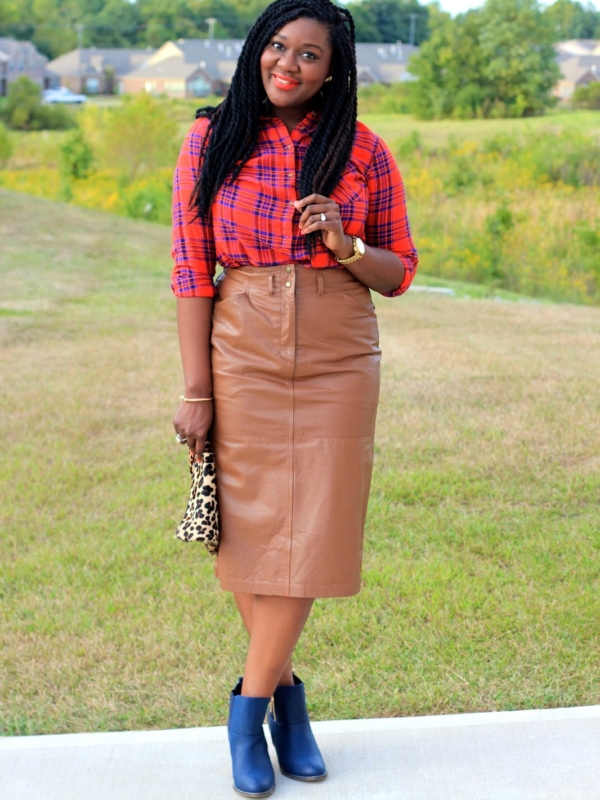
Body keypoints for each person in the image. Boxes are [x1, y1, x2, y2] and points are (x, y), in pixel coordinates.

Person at [171, 0, 418, 795]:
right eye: (278, 47)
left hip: (339, 350)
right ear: (256, 51)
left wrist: (346, 243)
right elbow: (188, 269)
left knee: (312, 526)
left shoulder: (365, 152)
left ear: (333, 70)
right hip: (240, 341)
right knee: (249, 528)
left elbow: (400, 272)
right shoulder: (211, 139)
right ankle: (287, 709)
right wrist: (196, 391)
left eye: (310, 55)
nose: (289, 64)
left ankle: (249, 708)